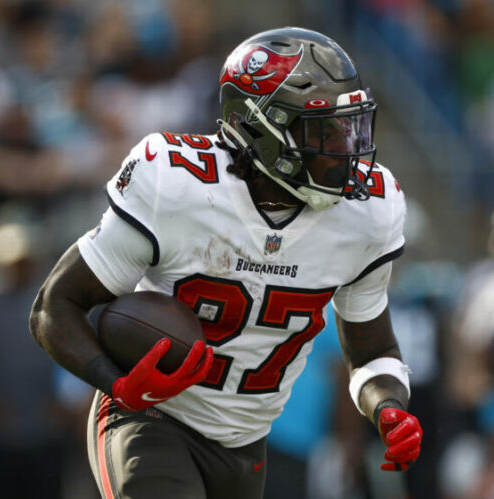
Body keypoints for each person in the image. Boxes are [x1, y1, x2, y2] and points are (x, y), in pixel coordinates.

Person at [29, 27, 422, 498]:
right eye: (323, 130)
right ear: (262, 129)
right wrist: (117, 384)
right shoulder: (175, 186)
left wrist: (388, 407)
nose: (344, 149)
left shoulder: (368, 214)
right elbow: (54, 308)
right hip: (152, 418)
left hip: (247, 445)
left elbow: (373, 352)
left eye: (350, 126)